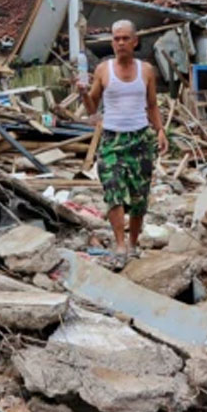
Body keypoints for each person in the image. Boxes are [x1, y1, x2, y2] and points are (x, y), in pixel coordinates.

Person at [78, 19, 168, 260]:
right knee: (113, 190)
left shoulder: (146, 70)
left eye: (125, 38)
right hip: (111, 139)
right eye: (116, 39)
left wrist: (160, 131)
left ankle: (133, 243)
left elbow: (152, 105)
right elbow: (92, 108)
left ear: (135, 41)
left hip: (140, 139)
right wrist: (84, 93)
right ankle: (119, 244)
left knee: (139, 196)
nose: (120, 43)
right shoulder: (103, 70)